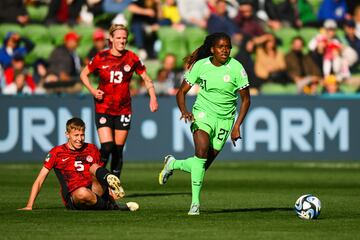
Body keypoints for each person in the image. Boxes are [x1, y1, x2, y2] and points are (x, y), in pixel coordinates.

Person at [158, 32, 251, 215]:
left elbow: (246, 100)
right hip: (202, 114)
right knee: (200, 153)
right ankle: (195, 205)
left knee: (201, 165)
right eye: (221, 47)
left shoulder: (236, 68)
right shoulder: (201, 66)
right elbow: (181, 92)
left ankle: (172, 164)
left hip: (225, 119)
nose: (225, 50)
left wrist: (236, 125)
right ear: (212, 49)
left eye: (228, 47)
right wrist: (185, 110)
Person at [80, 24, 158, 179]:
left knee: (117, 149)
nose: (122, 41)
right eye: (118, 38)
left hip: (123, 109)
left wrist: (153, 97)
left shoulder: (132, 58)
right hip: (104, 107)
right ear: (111, 39)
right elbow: (84, 74)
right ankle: (97, 177)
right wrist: (93, 90)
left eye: (124, 38)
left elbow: (146, 78)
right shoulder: (101, 57)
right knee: (107, 146)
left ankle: (114, 186)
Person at [19, 117, 138, 211]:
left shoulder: (91, 148)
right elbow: (40, 179)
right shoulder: (57, 153)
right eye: (76, 135)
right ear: (67, 135)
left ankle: (111, 192)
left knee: (95, 167)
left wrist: (111, 191)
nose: (80, 139)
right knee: (82, 193)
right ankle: (111, 207)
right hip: (74, 197)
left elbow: (97, 176)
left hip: (95, 191)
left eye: (82, 135)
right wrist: (29, 205)